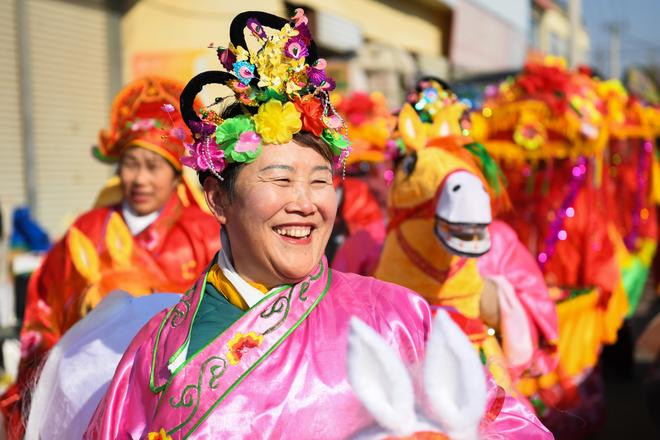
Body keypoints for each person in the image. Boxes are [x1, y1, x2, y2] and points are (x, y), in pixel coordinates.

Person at [84, 10, 551, 439]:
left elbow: (514, 426)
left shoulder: (396, 319)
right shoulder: (156, 353)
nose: (305, 203)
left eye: (320, 180)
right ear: (218, 197)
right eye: (280, 179)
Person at [0, 76, 220, 439]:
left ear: (175, 174)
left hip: (172, 397)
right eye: (131, 164)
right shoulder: (85, 232)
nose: (141, 179)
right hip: (86, 396)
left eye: (154, 166)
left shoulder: (205, 233)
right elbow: (46, 315)